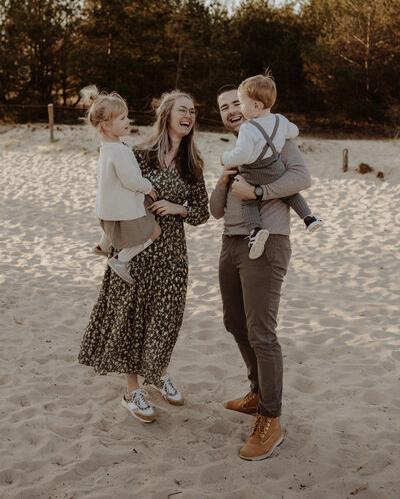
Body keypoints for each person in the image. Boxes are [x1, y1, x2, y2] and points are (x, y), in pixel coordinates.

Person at [79, 90, 209, 423]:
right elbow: (113, 193)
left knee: (165, 319)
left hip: (172, 254)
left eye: (193, 111)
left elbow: (201, 212)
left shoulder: (192, 163)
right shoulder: (138, 154)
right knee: (131, 318)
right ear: (167, 114)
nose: (189, 115)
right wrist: (107, 239)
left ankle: (159, 374)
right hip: (137, 249)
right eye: (183, 109)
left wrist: (178, 208)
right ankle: (131, 390)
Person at [210, 85, 312, 461]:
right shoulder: (238, 151)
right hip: (231, 243)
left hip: (267, 243)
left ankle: (271, 417)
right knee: (234, 322)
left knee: (262, 333)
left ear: (253, 104)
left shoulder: (276, 137)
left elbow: (301, 178)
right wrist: (224, 179)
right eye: (223, 107)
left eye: (235, 103)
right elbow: (217, 210)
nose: (231, 110)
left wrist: (257, 191)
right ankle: (257, 392)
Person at [221, 72, 323, 259]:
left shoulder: (248, 128)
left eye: (241, 103)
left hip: (255, 173)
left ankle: (255, 230)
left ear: (256, 105)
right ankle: (309, 218)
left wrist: (226, 158)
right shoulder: (280, 120)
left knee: (249, 202)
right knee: (291, 194)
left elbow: (243, 154)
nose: (240, 108)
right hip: (275, 169)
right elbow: (295, 131)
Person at [83, 85, 161, 284]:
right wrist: (148, 187)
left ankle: (102, 246)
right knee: (155, 231)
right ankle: (121, 260)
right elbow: (131, 180)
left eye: (127, 116)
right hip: (122, 210)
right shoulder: (118, 150)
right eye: (123, 118)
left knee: (111, 223)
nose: (128, 121)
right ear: (106, 125)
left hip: (106, 208)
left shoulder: (106, 148)